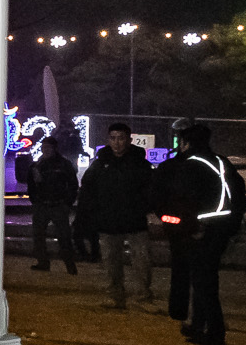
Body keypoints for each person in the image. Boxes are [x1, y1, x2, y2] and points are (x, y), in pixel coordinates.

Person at [166, 124, 243, 345]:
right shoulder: (221, 161)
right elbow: (238, 193)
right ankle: (199, 325)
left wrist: (189, 228)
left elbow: (185, 201)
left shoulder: (191, 166)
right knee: (207, 279)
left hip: (202, 228)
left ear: (186, 143)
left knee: (203, 282)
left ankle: (215, 332)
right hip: (222, 226)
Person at [75, 122, 155, 310]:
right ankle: (115, 296)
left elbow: (152, 190)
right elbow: (87, 191)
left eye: (120, 138)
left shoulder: (140, 164)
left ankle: (143, 297)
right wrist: (88, 216)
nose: (117, 143)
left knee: (142, 261)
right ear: (108, 140)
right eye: (113, 138)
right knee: (111, 262)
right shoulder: (100, 165)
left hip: (135, 220)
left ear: (129, 140)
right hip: (108, 220)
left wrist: (143, 208)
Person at [26, 133, 79, 274]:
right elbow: (31, 185)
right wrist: (35, 201)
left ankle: (69, 264)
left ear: (55, 148)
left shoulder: (63, 164)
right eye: (44, 147)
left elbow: (73, 184)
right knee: (38, 236)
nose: (45, 150)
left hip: (58, 205)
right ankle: (43, 262)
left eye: (48, 147)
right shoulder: (37, 165)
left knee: (64, 237)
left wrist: (67, 203)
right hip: (42, 205)